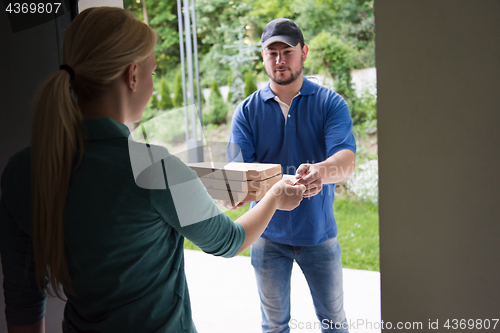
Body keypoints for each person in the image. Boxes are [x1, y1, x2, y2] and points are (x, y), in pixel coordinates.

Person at [0, 8, 306, 333]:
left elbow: (22, 299)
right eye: (153, 73)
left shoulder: (22, 170)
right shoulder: (151, 167)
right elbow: (228, 241)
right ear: (132, 75)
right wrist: (274, 198)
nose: (153, 85)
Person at [226, 18, 357, 333]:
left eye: (287, 51)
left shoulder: (330, 103)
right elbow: (237, 176)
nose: (279, 60)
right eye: (272, 52)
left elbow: (347, 162)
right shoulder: (247, 111)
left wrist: (319, 172)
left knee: (335, 323)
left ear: (304, 52)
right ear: (262, 57)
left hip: (319, 235)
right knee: (273, 325)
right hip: (266, 237)